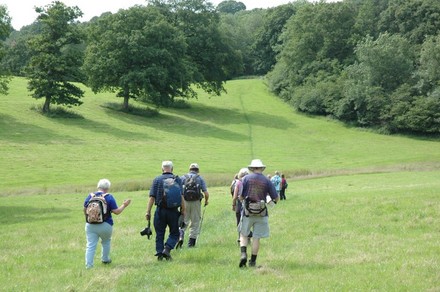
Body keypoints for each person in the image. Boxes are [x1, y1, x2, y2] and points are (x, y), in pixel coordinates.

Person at [238, 159, 279, 268]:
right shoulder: (267, 180)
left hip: (248, 212)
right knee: (256, 237)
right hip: (261, 212)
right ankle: (253, 262)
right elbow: (276, 198)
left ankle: (243, 254)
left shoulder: (245, 179)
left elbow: (241, 196)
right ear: (262, 168)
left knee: (243, 234)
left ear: (251, 168)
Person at [83, 178, 131, 269]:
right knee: (106, 242)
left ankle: (89, 265)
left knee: (90, 244)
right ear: (108, 188)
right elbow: (116, 211)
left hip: (90, 225)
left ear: (98, 186)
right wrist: (124, 205)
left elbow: (84, 209)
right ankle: (105, 259)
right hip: (105, 224)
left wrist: (90, 218)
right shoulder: (109, 197)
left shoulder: (90, 196)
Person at [146, 161, 185, 260]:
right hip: (173, 211)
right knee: (175, 233)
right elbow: (181, 196)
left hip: (160, 210)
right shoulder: (177, 179)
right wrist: (183, 210)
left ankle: (159, 254)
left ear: (162, 169)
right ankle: (167, 249)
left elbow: (151, 197)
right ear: (172, 169)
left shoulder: (157, 180)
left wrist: (148, 211)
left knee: (159, 233)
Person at [179, 163, 209, 248]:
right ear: (198, 170)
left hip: (184, 202)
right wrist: (206, 201)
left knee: (184, 221)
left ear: (189, 169)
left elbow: (178, 190)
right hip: (196, 202)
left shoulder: (183, 177)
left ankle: (180, 236)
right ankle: (191, 244)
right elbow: (206, 193)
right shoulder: (200, 178)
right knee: (195, 222)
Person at [232, 167, 249, 244]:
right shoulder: (250, 182)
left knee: (239, 221)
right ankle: (248, 238)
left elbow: (235, 196)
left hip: (239, 203)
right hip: (248, 203)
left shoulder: (238, 183)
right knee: (247, 221)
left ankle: (240, 237)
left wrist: (233, 204)